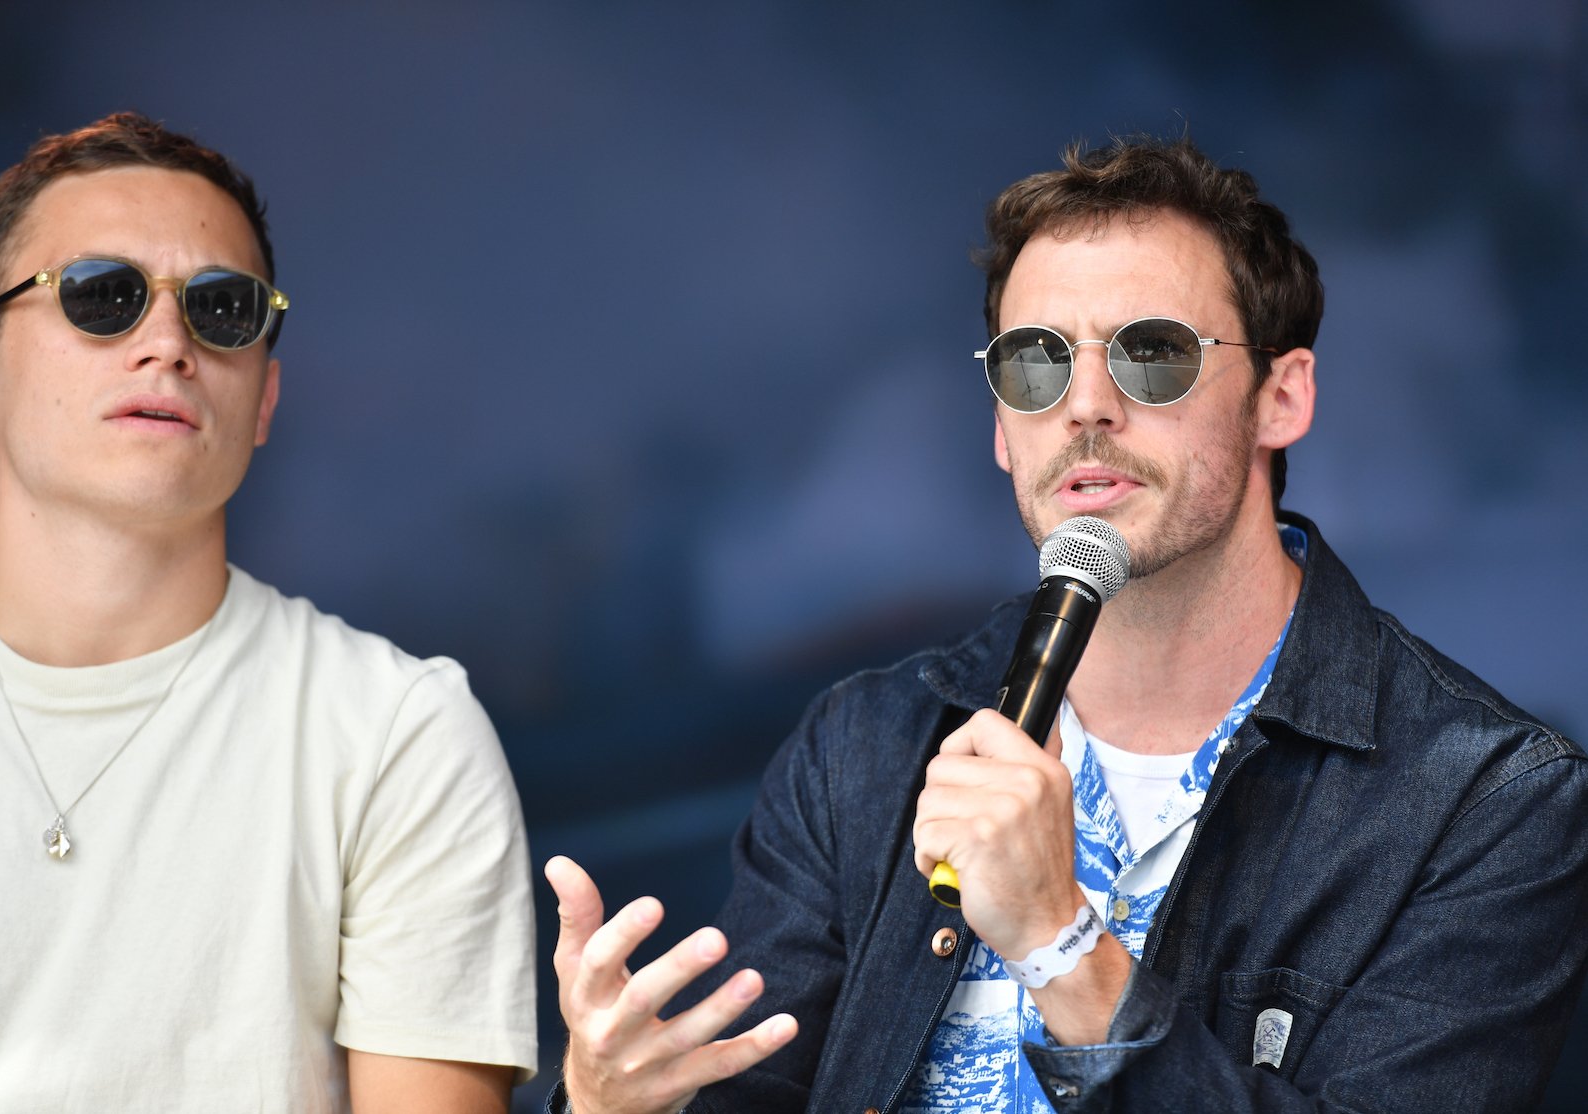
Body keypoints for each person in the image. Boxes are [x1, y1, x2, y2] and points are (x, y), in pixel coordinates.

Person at [544, 135, 1588, 1112]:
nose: (1085, 403)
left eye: (1151, 353)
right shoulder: (860, 745)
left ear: (1280, 396)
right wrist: (616, 1100)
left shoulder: (1489, 803)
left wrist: (1058, 942)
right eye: (1035, 363)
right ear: (1001, 428)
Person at [0, 113, 535, 1111]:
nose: (167, 342)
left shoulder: (395, 733)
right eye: (101, 296)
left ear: (263, 400)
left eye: (224, 310)